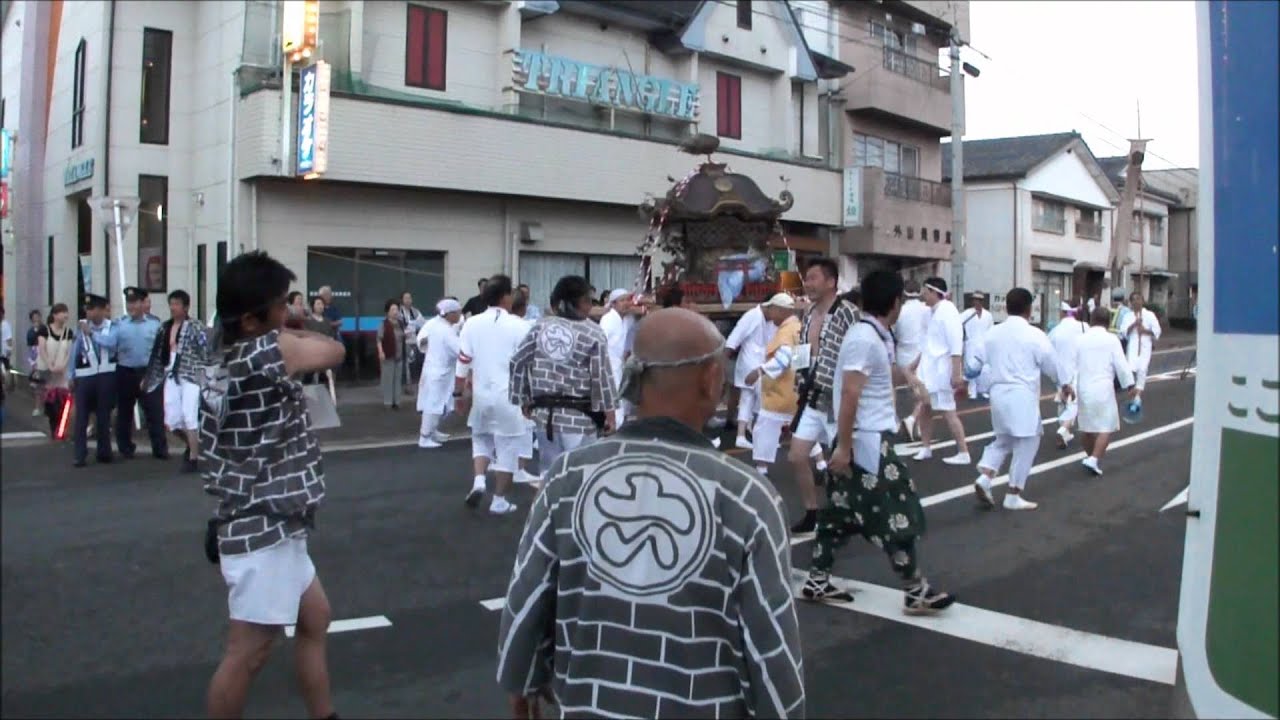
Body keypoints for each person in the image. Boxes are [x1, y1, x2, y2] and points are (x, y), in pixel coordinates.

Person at [496, 307, 804, 719]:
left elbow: (528, 596)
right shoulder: (747, 496)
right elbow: (771, 644)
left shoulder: (567, 477)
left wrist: (523, 681)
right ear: (711, 379)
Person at [201, 251, 344, 720]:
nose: (289, 312)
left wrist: (284, 323)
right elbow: (334, 351)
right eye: (281, 305)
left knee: (314, 617)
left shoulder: (215, 347)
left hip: (262, 513)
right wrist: (298, 328)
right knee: (248, 652)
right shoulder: (268, 350)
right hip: (263, 522)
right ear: (249, 319)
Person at [803, 271, 955, 614]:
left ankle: (816, 579)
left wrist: (911, 379)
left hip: (861, 440)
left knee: (839, 514)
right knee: (898, 513)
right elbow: (850, 395)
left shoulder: (871, 335)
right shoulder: (865, 339)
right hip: (868, 442)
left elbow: (866, 384)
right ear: (895, 303)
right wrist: (843, 448)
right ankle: (916, 590)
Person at [510, 274, 617, 479]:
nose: (590, 305)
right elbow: (601, 377)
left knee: (548, 475)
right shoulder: (593, 332)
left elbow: (517, 361)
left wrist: (523, 398)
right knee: (579, 476)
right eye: (588, 300)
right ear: (580, 301)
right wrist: (609, 414)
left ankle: (544, 511)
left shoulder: (540, 326)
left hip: (544, 414)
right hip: (580, 417)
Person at [972, 288, 1071, 511]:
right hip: (1022, 394)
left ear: (1006, 307)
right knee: (1028, 442)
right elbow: (1051, 363)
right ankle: (1013, 493)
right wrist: (1064, 384)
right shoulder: (1034, 335)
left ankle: (985, 477)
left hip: (998, 393)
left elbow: (980, 362)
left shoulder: (993, 333)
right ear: (1029, 309)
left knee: (1004, 439)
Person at [788, 259, 857, 534]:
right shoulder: (808, 313)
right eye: (807, 277)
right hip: (812, 395)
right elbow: (802, 351)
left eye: (814, 277)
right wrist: (798, 380)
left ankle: (850, 509)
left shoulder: (847, 312)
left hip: (837, 396)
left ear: (831, 282)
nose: (808, 283)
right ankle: (812, 511)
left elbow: (859, 348)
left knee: (843, 459)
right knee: (796, 455)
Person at [455, 275, 531, 516]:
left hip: (482, 394)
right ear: (506, 297)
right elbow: (530, 364)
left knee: (481, 439)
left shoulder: (471, 323)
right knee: (507, 449)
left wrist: (458, 394)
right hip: (509, 396)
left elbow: (463, 361)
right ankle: (499, 500)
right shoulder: (520, 326)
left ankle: (479, 481)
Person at [143, 290, 209, 473]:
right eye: (171, 304)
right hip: (171, 374)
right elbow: (156, 355)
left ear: (186, 307)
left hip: (190, 375)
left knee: (189, 416)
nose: (173, 307)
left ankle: (193, 458)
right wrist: (149, 378)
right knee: (172, 419)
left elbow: (205, 351)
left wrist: (204, 375)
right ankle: (193, 443)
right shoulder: (165, 327)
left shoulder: (196, 326)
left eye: (177, 304)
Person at [911, 278, 970, 464]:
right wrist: (914, 365)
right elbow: (925, 343)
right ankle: (926, 447)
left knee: (947, 410)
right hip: (928, 369)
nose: (923, 295)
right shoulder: (928, 313)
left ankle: (963, 451)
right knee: (925, 408)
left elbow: (955, 345)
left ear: (935, 292)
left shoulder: (948, 311)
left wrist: (956, 373)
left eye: (926, 291)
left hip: (942, 369)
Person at [744, 293, 802, 477]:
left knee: (763, 429)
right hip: (794, 390)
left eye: (772, 309)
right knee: (802, 429)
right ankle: (821, 462)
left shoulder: (785, 331)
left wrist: (759, 371)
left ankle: (761, 469)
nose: (770, 314)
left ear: (781, 310)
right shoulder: (797, 327)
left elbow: (783, 359)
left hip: (779, 392)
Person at [1075, 307, 1138, 476]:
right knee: (1106, 426)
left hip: (1083, 387)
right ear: (1108, 322)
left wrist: (1068, 386)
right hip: (1103, 388)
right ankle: (1094, 459)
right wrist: (1130, 385)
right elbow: (1121, 365)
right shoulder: (1111, 339)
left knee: (1086, 427)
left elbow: (1073, 364)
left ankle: (1091, 458)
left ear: (1092, 320)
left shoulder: (1080, 339)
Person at [114, 287, 168, 459]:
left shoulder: (155, 324)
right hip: (125, 371)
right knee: (124, 412)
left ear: (142, 303)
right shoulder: (119, 324)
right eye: (129, 302)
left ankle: (159, 448)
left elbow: (161, 350)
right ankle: (125, 447)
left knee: (154, 411)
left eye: (134, 302)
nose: (131, 306)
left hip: (148, 371)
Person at [68, 294, 119, 467]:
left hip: (106, 376)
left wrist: (93, 335)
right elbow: (74, 353)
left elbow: (112, 343)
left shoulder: (112, 327)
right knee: (82, 417)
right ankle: (79, 454)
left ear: (101, 310)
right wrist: (71, 375)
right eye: (87, 309)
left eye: (92, 309)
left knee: (103, 415)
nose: (88, 312)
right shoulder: (80, 329)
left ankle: (104, 451)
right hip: (85, 377)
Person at [724, 298, 774, 450]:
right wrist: (723, 358)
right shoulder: (752, 315)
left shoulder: (769, 320)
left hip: (759, 361)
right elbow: (735, 337)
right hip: (749, 364)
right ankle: (759, 434)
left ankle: (741, 435)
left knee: (747, 399)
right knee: (762, 399)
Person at [415, 298, 462, 449]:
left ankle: (432, 431)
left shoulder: (439, 325)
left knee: (442, 403)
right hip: (439, 372)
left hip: (439, 370)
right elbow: (460, 350)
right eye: (457, 312)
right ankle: (424, 437)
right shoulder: (445, 330)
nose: (460, 315)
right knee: (433, 405)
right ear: (450, 314)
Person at [1047, 301, 1089, 448]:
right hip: (1076, 370)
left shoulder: (1055, 331)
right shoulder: (1083, 327)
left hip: (1059, 372)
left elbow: (1048, 353)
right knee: (1074, 403)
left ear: (1063, 312)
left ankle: (1065, 434)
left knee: (1063, 401)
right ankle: (1064, 428)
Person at [598, 289, 638, 428]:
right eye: (622, 300)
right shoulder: (608, 319)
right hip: (608, 365)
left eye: (627, 300)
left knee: (622, 398)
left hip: (620, 365)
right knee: (614, 399)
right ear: (613, 303)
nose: (626, 303)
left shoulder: (627, 320)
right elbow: (601, 342)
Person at [895, 280, 930, 439]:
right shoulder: (926, 310)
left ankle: (899, 422)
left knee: (898, 390)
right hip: (919, 354)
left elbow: (894, 332)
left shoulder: (900, 310)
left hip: (902, 353)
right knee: (925, 393)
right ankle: (912, 419)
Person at [36, 304, 75, 436]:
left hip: (62, 372)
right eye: (62, 312)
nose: (65, 315)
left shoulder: (68, 332)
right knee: (50, 401)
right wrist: (50, 365)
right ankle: (54, 426)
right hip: (47, 371)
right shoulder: (44, 330)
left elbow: (69, 352)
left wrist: (63, 366)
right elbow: (42, 349)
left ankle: (61, 430)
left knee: (63, 401)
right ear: (54, 315)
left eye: (66, 312)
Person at [1119, 292, 1162, 401]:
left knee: (1142, 369)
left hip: (1145, 346)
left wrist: (1145, 331)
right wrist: (1134, 324)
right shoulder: (1128, 316)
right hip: (1133, 345)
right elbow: (1123, 332)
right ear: (1130, 302)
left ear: (1142, 300)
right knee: (1129, 369)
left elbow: (1157, 331)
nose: (1136, 301)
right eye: (1133, 299)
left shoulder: (1149, 315)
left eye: (1138, 299)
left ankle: (1138, 395)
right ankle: (1132, 390)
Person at [959, 291, 995, 401]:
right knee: (971, 367)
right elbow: (957, 324)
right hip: (971, 344)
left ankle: (983, 390)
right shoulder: (967, 313)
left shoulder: (988, 315)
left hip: (984, 345)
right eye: (975, 300)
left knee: (984, 369)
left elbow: (991, 330)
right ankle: (972, 391)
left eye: (979, 300)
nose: (977, 302)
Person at [376, 300, 404, 410]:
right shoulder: (384, 324)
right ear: (387, 312)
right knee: (388, 379)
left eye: (396, 309)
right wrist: (380, 352)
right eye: (392, 309)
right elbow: (379, 339)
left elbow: (402, 336)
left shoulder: (400, 323)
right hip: (388, 354)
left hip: (399, 355)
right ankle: (388, 401)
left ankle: (396, 401)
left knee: (397, 379)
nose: (395, 312)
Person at [397, 291, 426, 392]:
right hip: (402, 342)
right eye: (406, 298)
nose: (408, 300)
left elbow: (423, 324)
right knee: (405, 365)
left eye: (409, 298)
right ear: (402, 300)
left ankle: (413, 385)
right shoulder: (398, 312)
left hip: (413, 341)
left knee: (413, 363)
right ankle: (406, 386)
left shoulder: (415, 311)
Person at [0, 305, 13, 391]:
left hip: (4, 352)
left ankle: (6, 387)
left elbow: (9, 339)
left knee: (6, 368)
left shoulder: (5, 325)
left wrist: (9, 349)